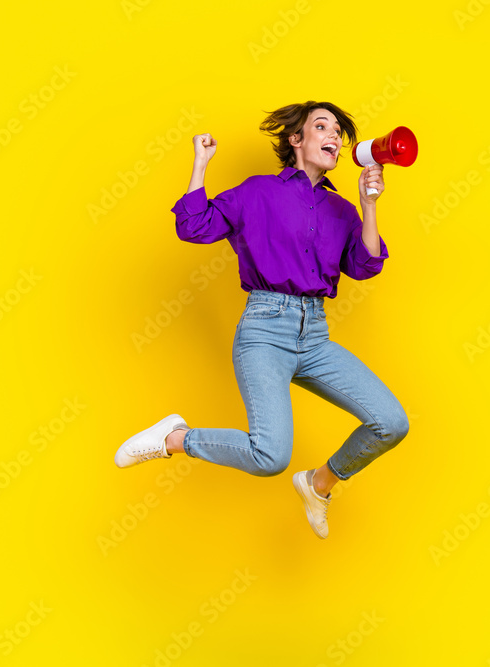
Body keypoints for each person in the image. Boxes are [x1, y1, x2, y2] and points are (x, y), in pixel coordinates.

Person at [114, 101, 410, 539]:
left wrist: (369, 205)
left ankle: (319, 485)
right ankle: (175, 437)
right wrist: (200, 164)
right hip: (266, 330)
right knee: (270, 457)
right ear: (296, 140)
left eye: (338, 133)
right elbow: (194, 226)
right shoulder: (258, 192)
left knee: (391, 423)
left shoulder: (342, 210)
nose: (333, 137)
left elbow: (366, 265)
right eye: (321, 126)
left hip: (315, 335)